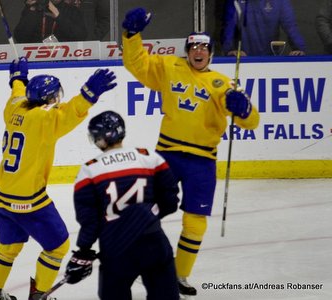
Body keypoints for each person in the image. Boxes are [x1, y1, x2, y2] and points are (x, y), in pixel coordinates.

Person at [121, 7, 260, 298]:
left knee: (195, 223)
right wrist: (131, 36)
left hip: (202, 160)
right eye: (194, 46)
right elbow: (136, 64)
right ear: (187, 50)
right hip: (167, 154)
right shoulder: (169, 67)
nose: (199, 51)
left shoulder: (222, 84)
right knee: (147, 212)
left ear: (210, 53)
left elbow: (251, 121)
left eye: (204, 47)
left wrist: (243, 109)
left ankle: (178, 275)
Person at [0, 57, 116, 300]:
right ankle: (40, 295)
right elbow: (71, 112)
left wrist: (18, 78)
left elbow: (17, 92)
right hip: (27, 201)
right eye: (55, 97)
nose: (57, 101)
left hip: (0, 195)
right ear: (48, 100)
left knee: (9, 246)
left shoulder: (14, 107)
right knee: (58, 246)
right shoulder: (44, 120)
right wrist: (89, 94)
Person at [63, 110, 180, 300]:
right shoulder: (149, 156)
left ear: (100, 138)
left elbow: (90, 220)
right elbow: (170, 200)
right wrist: (147, 216)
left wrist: (83, 250)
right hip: (153, 241)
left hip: (116, 246)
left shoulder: (90, 169)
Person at [222, 0, 306, 56]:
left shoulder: (279, 2)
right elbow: (229, 27)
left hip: (271, 59)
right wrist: (230, 50)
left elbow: (291, 27)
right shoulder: (235, 1)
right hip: (244, 59)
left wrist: (299, 49)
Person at [14, 0, 87, 43]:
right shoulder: (34, 9)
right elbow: (20, 38)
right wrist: (33, 10)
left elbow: (80, 37)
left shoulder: (72, 10)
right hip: (36, 58)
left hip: (63, 59)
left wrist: (58, 16)